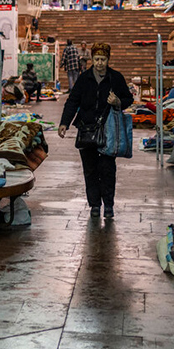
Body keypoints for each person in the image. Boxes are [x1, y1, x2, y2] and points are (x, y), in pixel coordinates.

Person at [58, 43, 133, 219]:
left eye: (103, 59)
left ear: (108, 60)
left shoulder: (116, 78)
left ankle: (108, 205)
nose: (99, 63)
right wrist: (64, 123)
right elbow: (72, 101)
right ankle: (94, 205)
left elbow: (128, 99)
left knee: (107, 169)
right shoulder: (84, 78)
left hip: (109, 132)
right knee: (90, 170)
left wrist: (118, 102)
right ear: (92, 59)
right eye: (97, 59)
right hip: (86, 130)